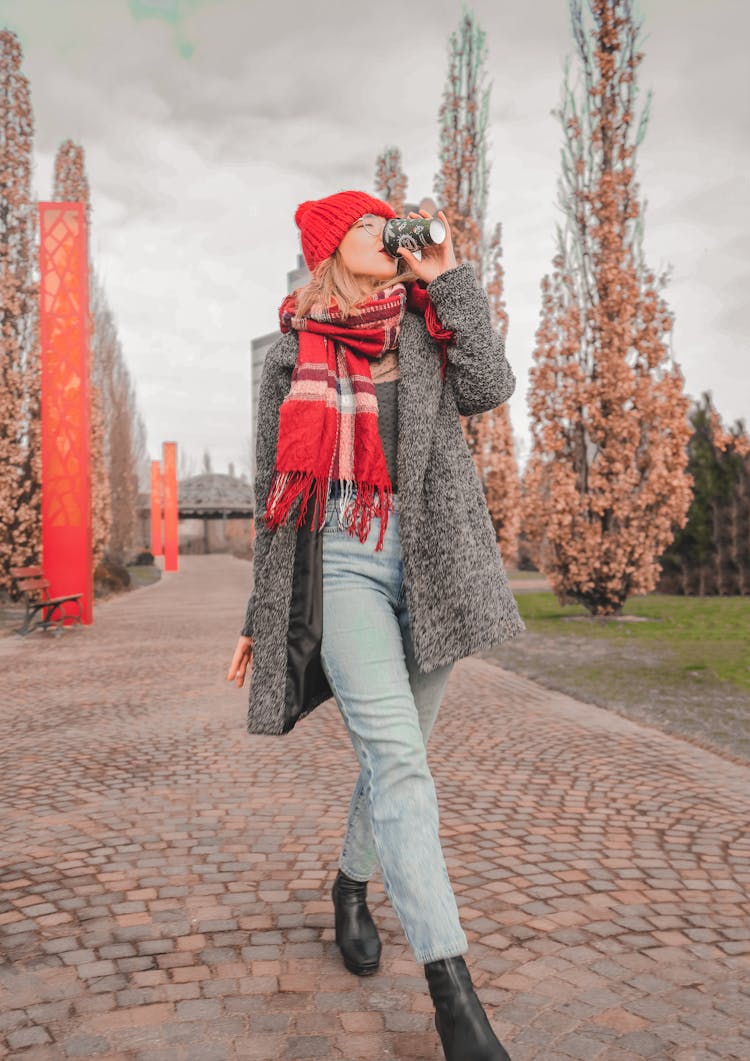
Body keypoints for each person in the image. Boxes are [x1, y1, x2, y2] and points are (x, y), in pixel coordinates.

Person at [228, 189, 525, 1061]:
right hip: (346, 558)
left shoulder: (428, 325)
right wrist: (260, 611)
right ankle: (456, 1003)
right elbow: (271, 498)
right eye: (366, 223)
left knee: (402, 757)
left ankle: (350, 883)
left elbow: (492, 387)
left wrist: (451, 277)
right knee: (397, 759)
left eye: (387, 219)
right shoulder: (292, 357)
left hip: (435, 564)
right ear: (329, 249)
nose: (384, 230)